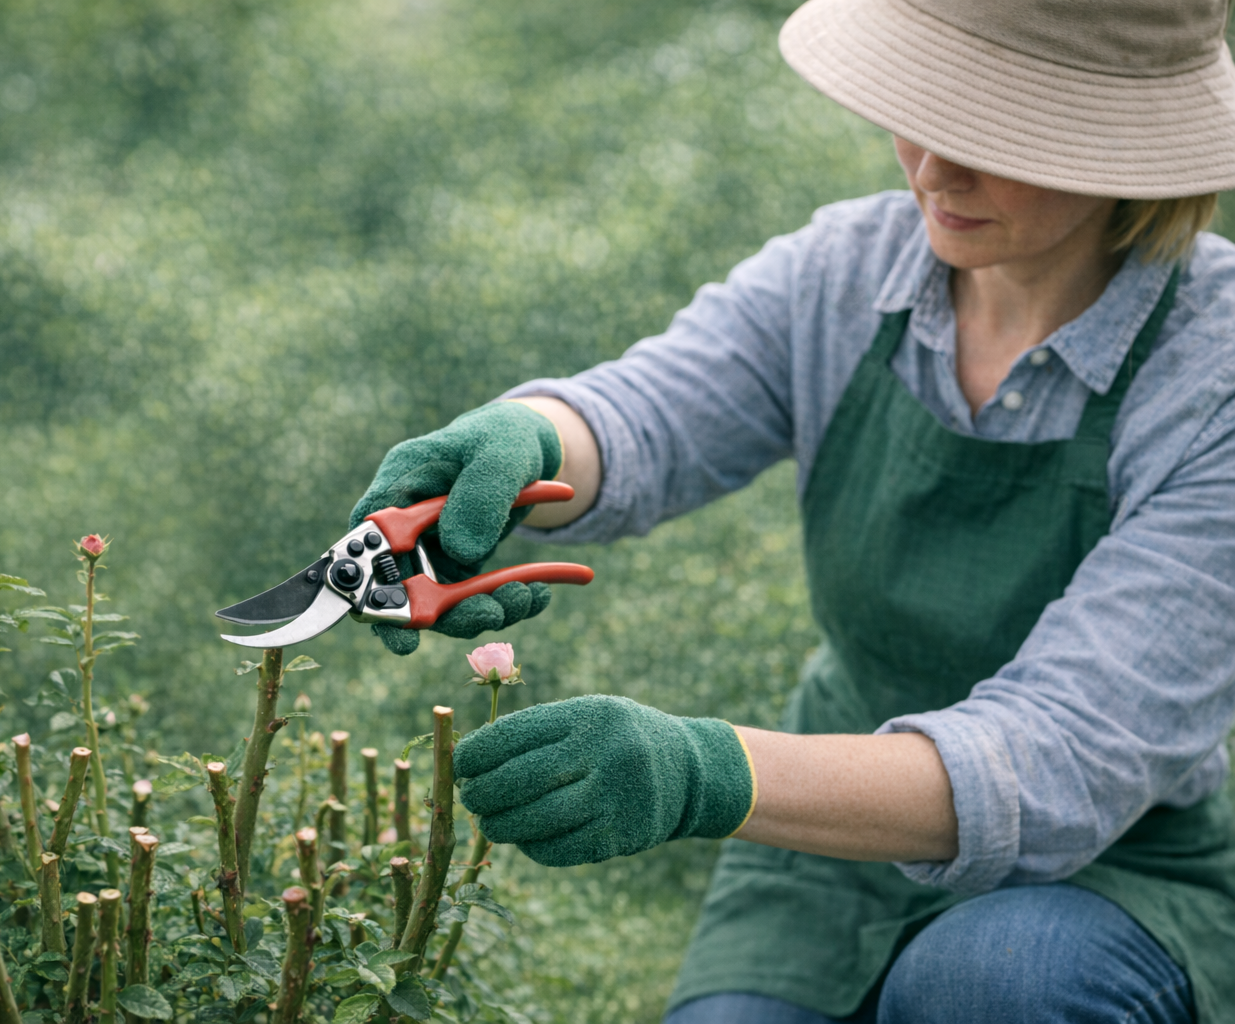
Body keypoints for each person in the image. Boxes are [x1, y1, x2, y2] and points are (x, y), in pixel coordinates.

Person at [349, 0, 1235, 1020]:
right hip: (825, 835)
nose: (934, 172)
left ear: (1121, 145)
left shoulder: (1209, 378)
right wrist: (528, 444)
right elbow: (653, 415)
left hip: (1109, 875)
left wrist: (700, 768)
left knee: (992, 983)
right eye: (925, 106)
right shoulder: (847, 272)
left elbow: (1058, 756)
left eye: (997, 135)